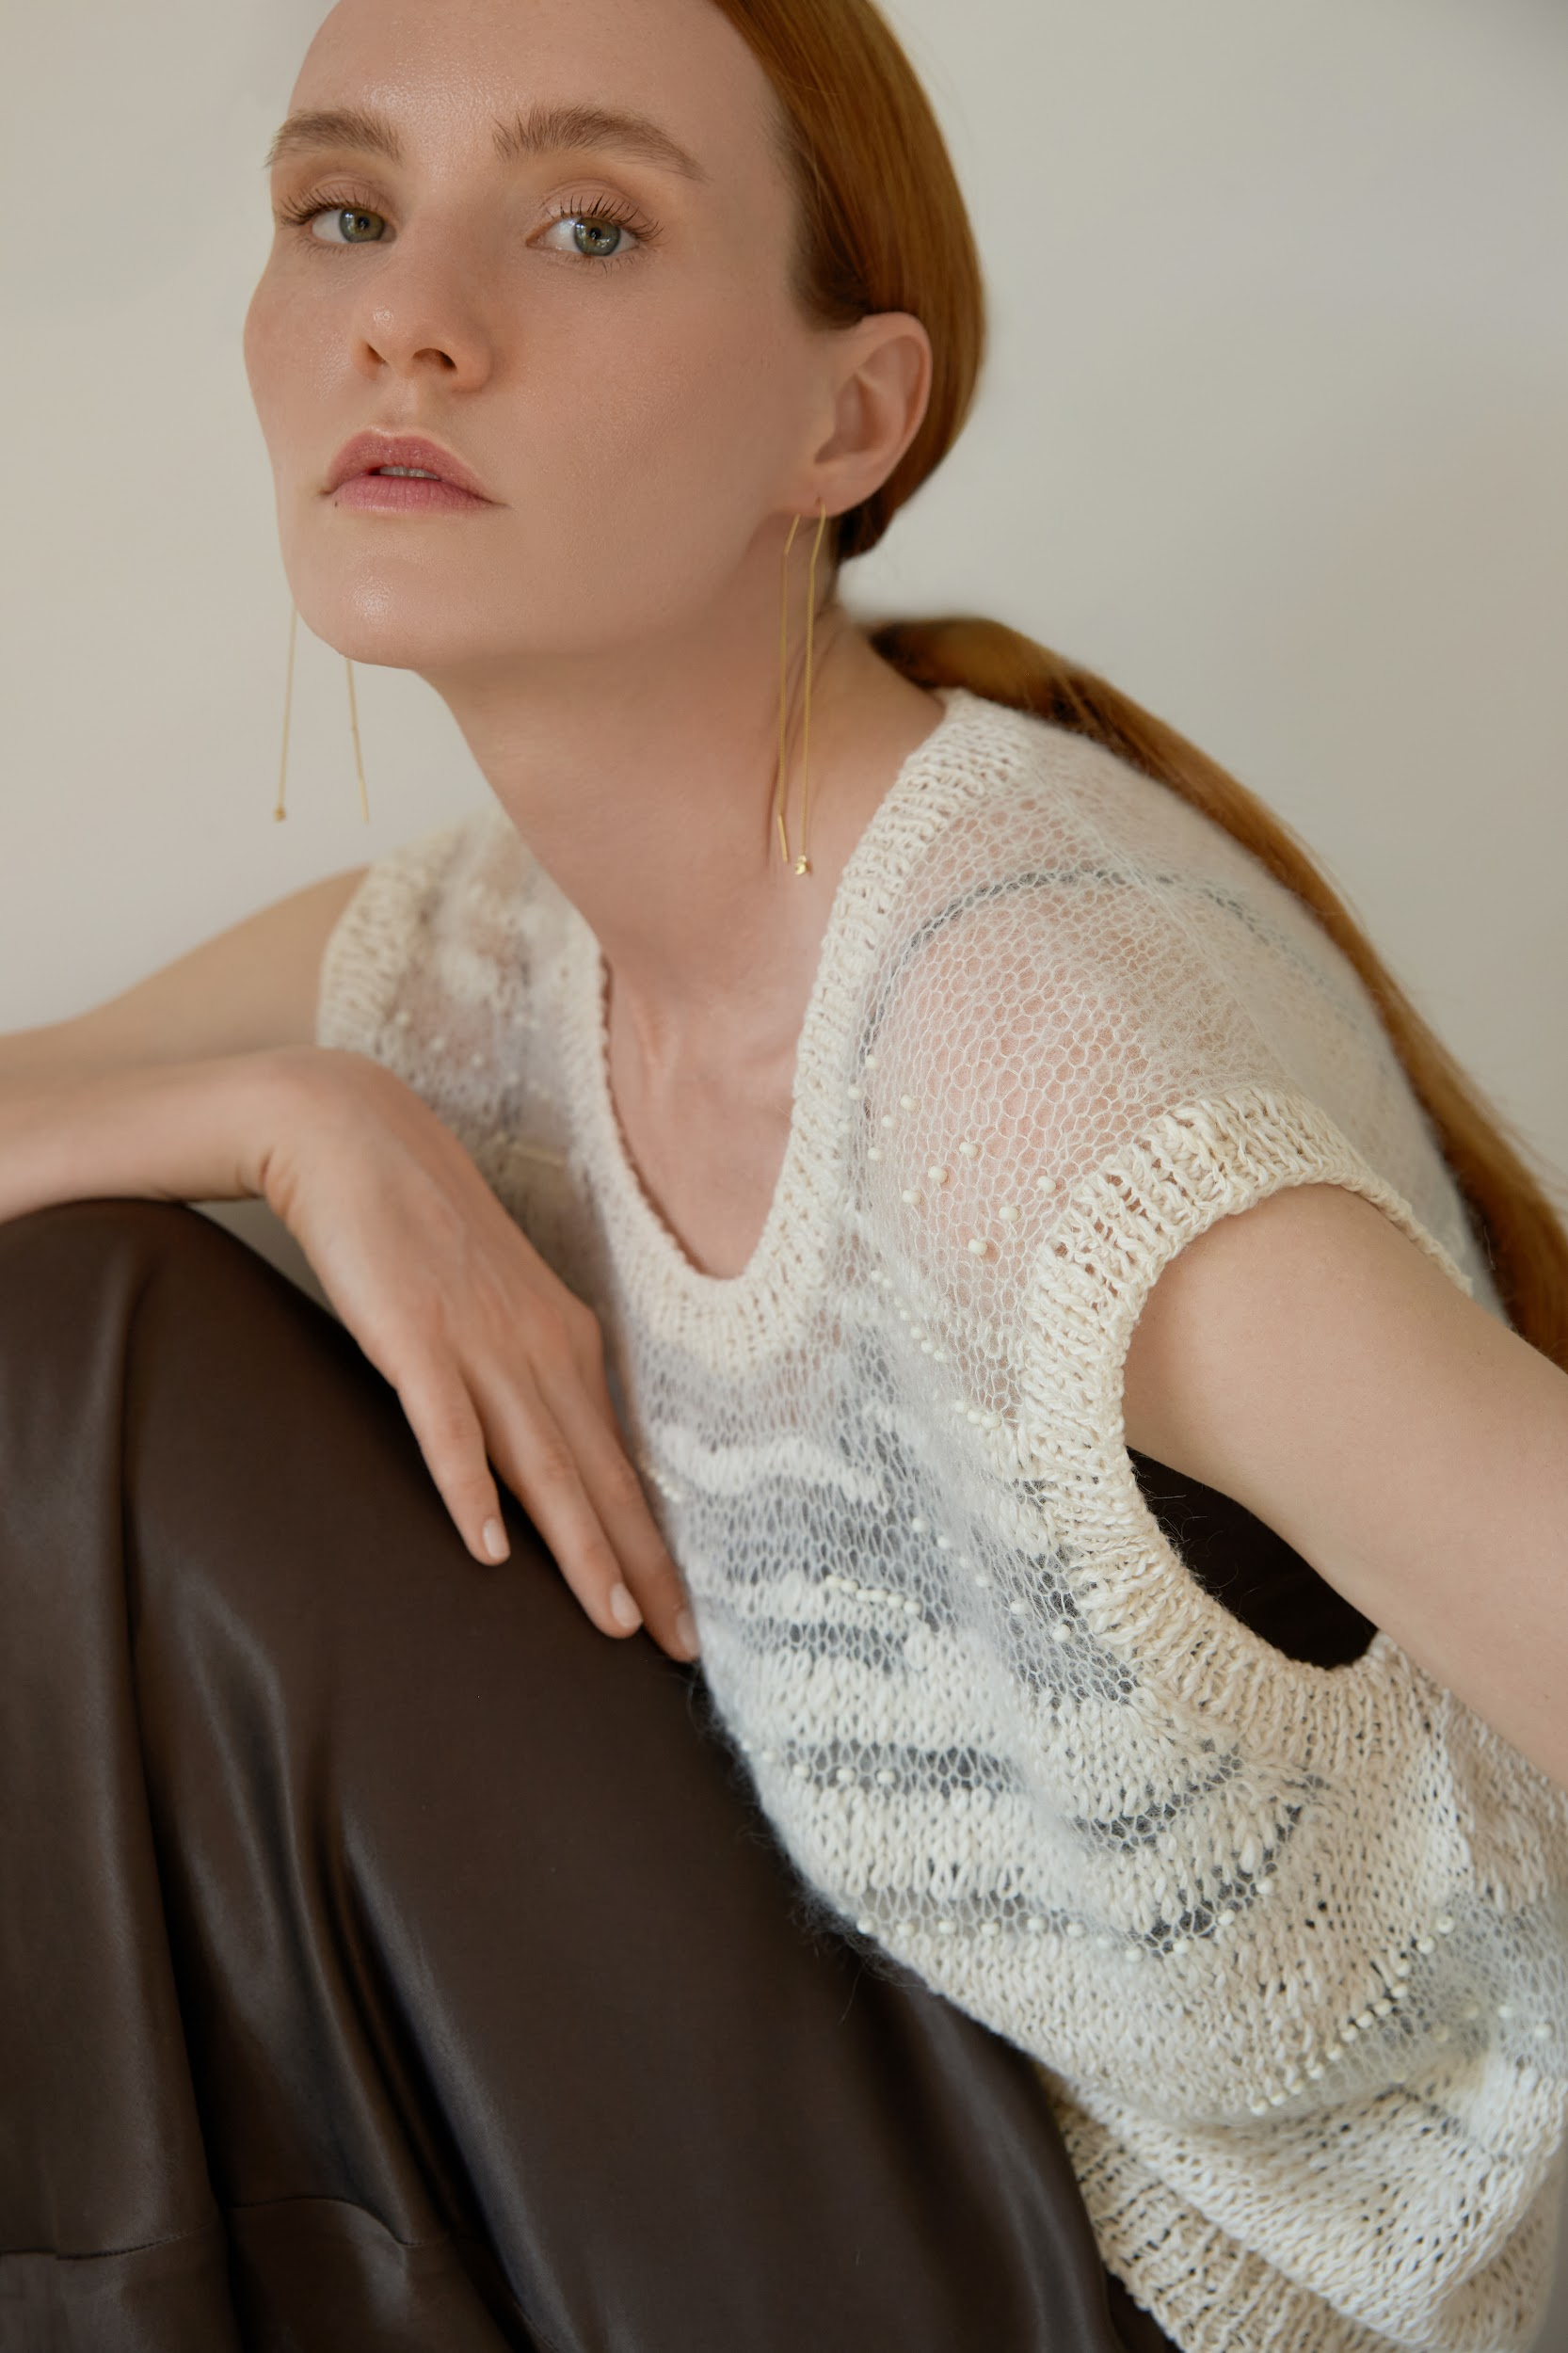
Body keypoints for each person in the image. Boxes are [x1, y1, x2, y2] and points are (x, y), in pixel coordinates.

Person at [2, 1, 1565, 2348]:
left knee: (87, 1347)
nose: (407, 316)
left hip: (1131, 2281)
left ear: (846, 418)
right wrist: (286, 1115)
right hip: (850, 2124)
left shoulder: (1020, 1051)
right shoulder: (492, 956)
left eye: (586, 225)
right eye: (340, 209)